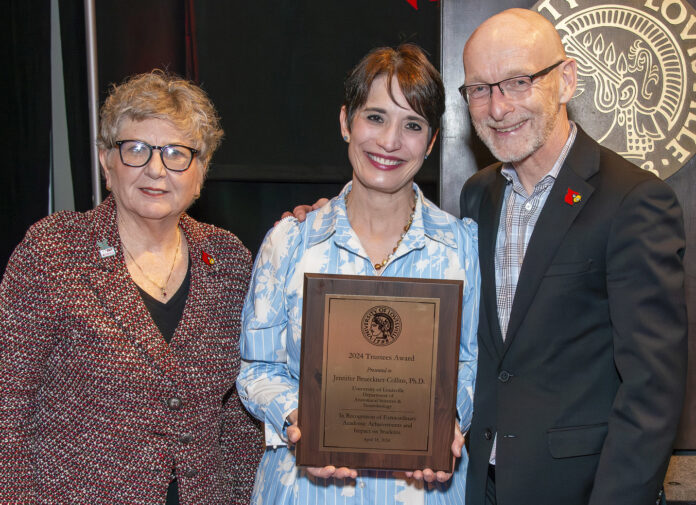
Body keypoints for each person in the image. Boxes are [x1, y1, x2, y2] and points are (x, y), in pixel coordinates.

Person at [0, 71, 262, 504]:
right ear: (107, 161)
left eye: (177, 153)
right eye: (136, 149)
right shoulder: (54, 251)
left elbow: (238, 419)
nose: (156, 169)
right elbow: (7, 408)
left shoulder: (228, 260)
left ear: (200, 172)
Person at [459, 9, 686, 505]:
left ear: (565, 81)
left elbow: (651, 389)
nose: (498, 108)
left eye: (518, 82)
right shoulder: (477, 196)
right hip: (481, 487)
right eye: (480, 89)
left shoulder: (633, 201)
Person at [236, 44, 480, 504]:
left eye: (412, 125)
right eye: (375, 118)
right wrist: (298, 420)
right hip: (306, 490)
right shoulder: (290, 241)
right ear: (346, 121)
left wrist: (450, 417)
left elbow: (471, 361)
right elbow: (257, 366)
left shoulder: (462, 247)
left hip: (423, 489)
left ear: (430, 142)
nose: (390, 142)